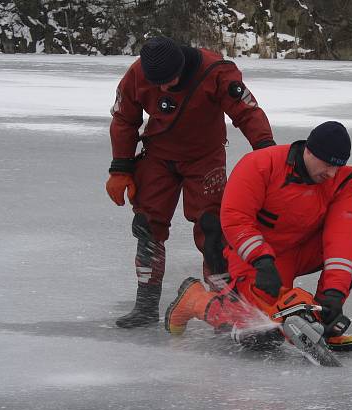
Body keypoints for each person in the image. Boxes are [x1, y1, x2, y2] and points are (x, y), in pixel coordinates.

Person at [106, 36, 275, 328]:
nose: (164, 88)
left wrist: (267, 153)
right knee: (147, 225)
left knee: (213, 230)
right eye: (157, 83)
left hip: (204, 159)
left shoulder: (216, 72)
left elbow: (247, 112)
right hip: (158, 157)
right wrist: (120, 167)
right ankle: (145, 306)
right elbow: (124, 118)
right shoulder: (137, 73)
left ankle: (224, 306)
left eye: (170, 81)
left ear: (182, 67)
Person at [164, 121, 352, 349]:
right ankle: (194, 299)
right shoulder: (261, 165)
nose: (331, 173)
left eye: (337, 167)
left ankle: (322, 321)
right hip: (254, 254)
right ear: (309, 150)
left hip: (299, 250)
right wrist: (261, 260)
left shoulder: (346, 181)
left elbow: (344, 237)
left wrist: (334, 294)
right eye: (327, 164)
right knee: (256, 331)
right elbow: (235, 218)